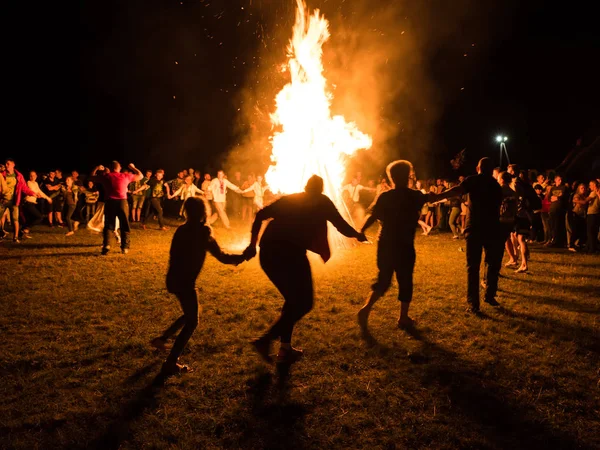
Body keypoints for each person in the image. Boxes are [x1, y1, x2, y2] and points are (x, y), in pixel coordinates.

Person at [244, 175, 367, 364]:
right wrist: (358, 235)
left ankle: (284, 349)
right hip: (289, 254)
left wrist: (253, 245)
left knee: (293, 301)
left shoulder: (291, 198)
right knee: (304, 303)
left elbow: (260, 215)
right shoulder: (322, 201)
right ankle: (266, 340)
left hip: (269, 253)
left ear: (306, 187)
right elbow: (340, 224)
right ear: (320, 189)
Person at [150, 197, 245, 376]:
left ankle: (162, 339)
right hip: (185, 282)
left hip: (173, 278)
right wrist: (243, 257)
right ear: (203, 212)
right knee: (193, 320)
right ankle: (171, 362)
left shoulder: (181, 230)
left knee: (189, 314)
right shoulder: (203, 232)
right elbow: (222, 257)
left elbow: (175, 255)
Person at [358, 161, 441, 330]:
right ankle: (403, 318)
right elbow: (435, 197)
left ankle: (366, 309)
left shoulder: (385, 196)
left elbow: (373, 216)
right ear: (407, 176)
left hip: (385, 243)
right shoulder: (415, 195)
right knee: (405, 280)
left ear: (392, 178)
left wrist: (361, 230)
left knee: (384, 279)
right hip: (404, 245)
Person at [433, 157, 504, 313]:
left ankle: (473, 304)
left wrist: (437, 196)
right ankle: (490, 295)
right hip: (492, 228)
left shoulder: (473, 180)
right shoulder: (496, 185)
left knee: (473, 267)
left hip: (475, 228)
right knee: (492, 264)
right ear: (492, 170)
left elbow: (456, 190)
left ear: (478, 168)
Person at [91, 161, 143, 254]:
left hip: (110, 202)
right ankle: (125, 247)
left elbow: (91, 177)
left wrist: (96, 168)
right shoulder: (125, 175)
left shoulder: (106, 176)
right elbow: (141, 176)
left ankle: (107, 245)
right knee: (124, 225)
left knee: (109, 225)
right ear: (119, 168)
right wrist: (132, 167)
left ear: (110, 168)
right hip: (122, 202)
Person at [0, 158, 41, 243]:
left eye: (8, 164)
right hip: (3, 200)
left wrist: (32, 193)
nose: (6, 165)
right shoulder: (2, 174)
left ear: (13, 164)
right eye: (5, 164)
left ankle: (15, 238)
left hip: (14, 201)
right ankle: (1, 234)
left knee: (15, 219)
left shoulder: (18, 176)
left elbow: (24, 188)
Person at [23, 171, 52, 236]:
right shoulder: (28, 182)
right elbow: (33, 190)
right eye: (31, 175)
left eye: (34, 175)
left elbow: (39, 191)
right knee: (39, 217)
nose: (32, 177)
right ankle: (26, 228)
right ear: (29, 177)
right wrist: (37, 194)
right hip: (28, 203)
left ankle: (22, 232)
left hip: (32, 203)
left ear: (36, 176)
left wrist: (48, 198)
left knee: (30, 219)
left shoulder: (36, 183)